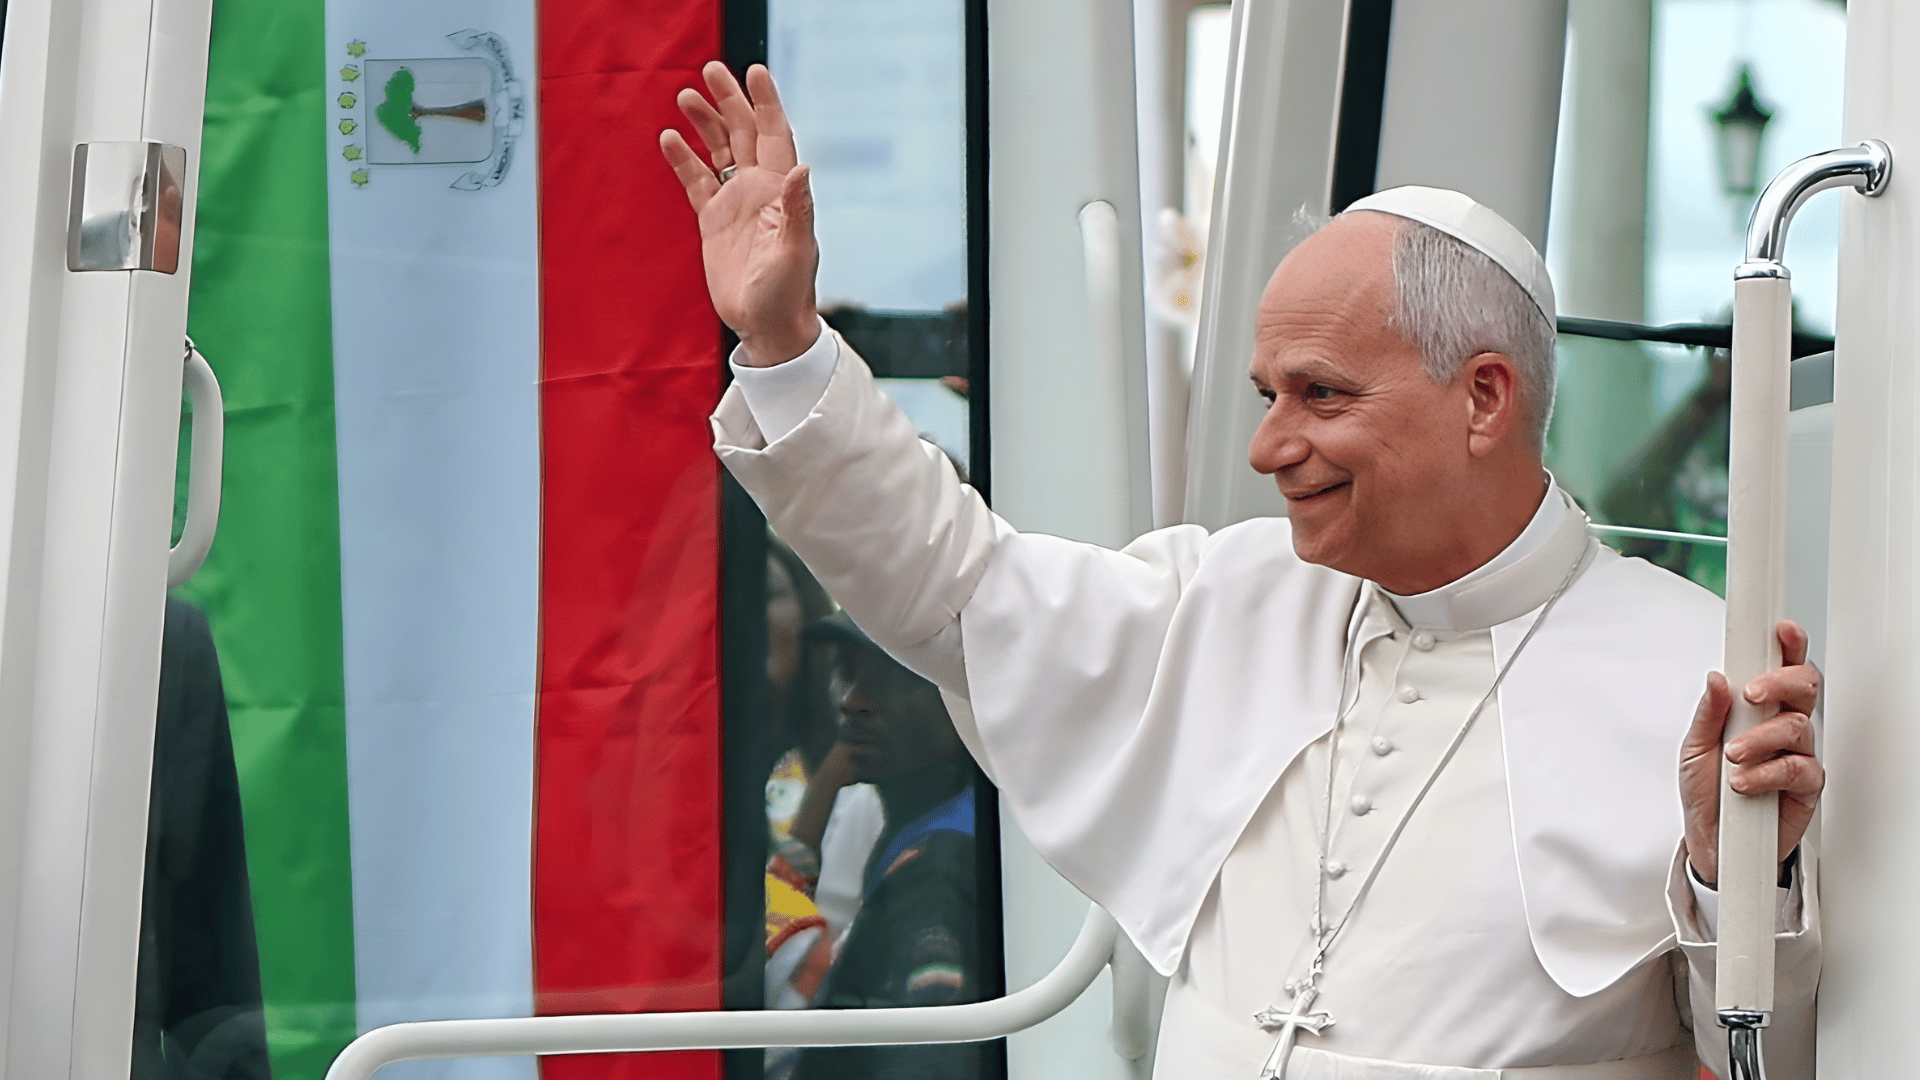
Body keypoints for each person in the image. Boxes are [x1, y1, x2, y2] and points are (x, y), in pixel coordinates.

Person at [662, 62, 1824, 1080]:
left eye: (1320, 395)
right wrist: (782, 343)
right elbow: (957, 593)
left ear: (1482, 399)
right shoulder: (1228, 594)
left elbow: (1777, 1061)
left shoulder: (1699, 675)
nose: (1268, 448)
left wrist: (1734, 887)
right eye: (1265, 396)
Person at [788, 613, 984, 1080]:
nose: (853, 702)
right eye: (848, 673)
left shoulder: (937, 872)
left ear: (962, 697)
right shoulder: (935, 825)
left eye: (894, 675)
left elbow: (927, 1063)